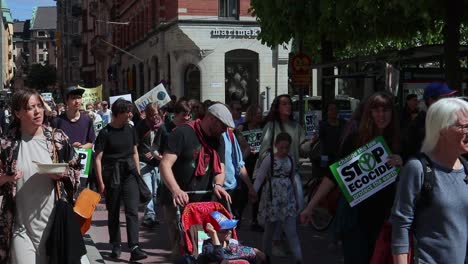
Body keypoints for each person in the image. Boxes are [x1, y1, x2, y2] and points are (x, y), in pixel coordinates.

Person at [300, 91, 402, 264]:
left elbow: (412, 177)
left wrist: (402, 163)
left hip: (386, 217)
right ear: (368, 113)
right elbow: (334, 176)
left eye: (386, 110)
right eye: (376, 110)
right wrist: (310, 207)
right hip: (356, 219)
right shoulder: (355, 140)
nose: (381, 115)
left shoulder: (398, 141)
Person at [0, 89, 82, 263]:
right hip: (20, 226)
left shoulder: (57, 139)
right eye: (30, 107)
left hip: (53, 226)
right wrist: (7, 179)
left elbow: (77, 169)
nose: (37, 111)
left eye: (39, 106)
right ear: (18, 113)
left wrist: (64, 175)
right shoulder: (7, 144)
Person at [391, 97, 468, 264]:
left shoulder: (466, 169)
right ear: (441, 129)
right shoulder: (417, 169)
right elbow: (400, 226)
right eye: (464, 126)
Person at [159, 103, 234, 258]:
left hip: (203, 202)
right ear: (212, 120)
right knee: (181, 245)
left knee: (204, 245)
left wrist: (218, 184)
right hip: (178, 200)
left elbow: (220, 167)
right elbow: (165, 164)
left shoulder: (218, 139)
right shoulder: (182, 133)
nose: (225, 130)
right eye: (223, 126)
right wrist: (176, 190)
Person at [94, 98, 147, 261]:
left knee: (132, 210)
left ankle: (134, 247)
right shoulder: (105, 133)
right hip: (112, 175)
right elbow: (98, 159)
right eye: (127, 111)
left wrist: (137, 175)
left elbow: (135, 152)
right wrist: (101, 182)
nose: (130, 114)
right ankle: (116, 244)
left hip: (130, 173)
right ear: (118, 114)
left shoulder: (131, 130)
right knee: (114, 211)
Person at [254, 132, 303, 263]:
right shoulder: (269, 159)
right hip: (272, 199)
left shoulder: (290, 159)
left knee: (291, 231)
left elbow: (292, 179)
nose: (284, 150)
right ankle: (266, 256)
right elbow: (260, 177)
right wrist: (253, 192)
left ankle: (299, 259)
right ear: (275, 145)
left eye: (286, 147)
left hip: (288, 199)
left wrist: (297, 200)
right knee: (269, 230)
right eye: (281, 147)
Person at [404, 82, 456, 161]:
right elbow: (411, 153)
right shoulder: (417, 126)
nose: (451, 102)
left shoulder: (453, 120)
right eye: (446, 98)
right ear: (431, 100)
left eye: (451, 97)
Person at [136, 102, 167, 228]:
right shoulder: (141, 126)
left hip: (157, 162)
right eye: (152, 115)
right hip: (144, 162)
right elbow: (136, 145)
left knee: (155, 191)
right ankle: (149, 216)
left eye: (157, 114)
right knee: (148, 190)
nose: (155, 117)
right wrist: (145, 153)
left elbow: (164, 143)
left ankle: (151, 215)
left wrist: (156, 153)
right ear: (148, 115)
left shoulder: (162, 126)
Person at [198, 211, 267, 264]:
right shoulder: (208, 246)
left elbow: (241, 249)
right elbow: (220, 257)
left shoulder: (230, 242)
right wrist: (213, 234)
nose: (230, 232)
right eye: (224, 230)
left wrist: (254, 250)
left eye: (230, 229)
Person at [237, 104, 264, 231]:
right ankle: (238, 218)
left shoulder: (262, 127)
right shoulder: (242, 127)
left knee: (257, 190)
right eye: (257, 114)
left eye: (260, 113)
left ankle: (254, 220)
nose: (259, 116)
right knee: (243, 193)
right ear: (251, 115)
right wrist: (246, 148)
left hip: (258, 162)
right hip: (246, 162)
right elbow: (236, 142)